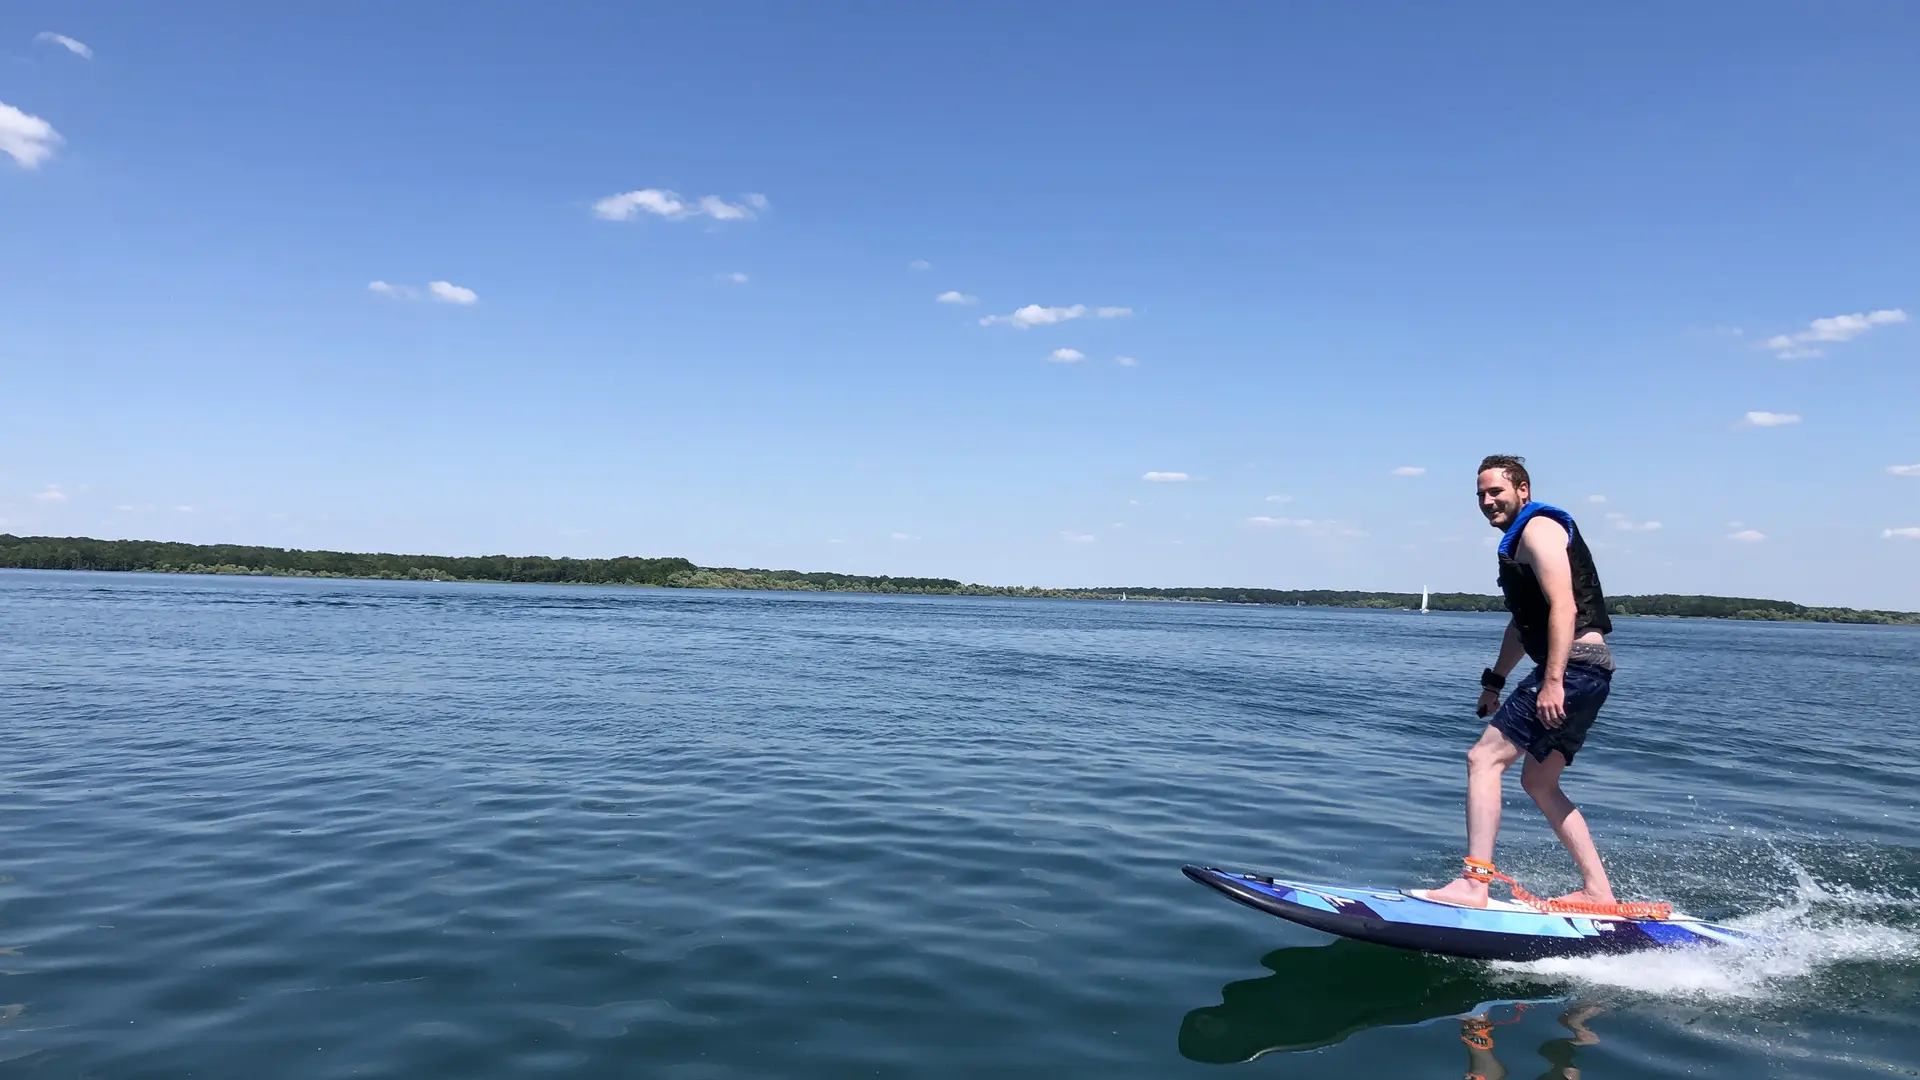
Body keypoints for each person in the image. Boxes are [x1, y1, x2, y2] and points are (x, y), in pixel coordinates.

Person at [1424, 455, 1619, 909]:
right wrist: (1494, 683)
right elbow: (1521, 627)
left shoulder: (1538, 529)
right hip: (1589, 671)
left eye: (1496, 492)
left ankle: (1474, 884)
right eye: (1481, 495)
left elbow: (1564, 607)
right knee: (1539, 782)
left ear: (1523, 490)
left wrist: (1552, 681)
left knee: (1483, 759)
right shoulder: (1518, 544)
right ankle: (1598, 891)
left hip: (1571, 667)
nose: (1488, 501)